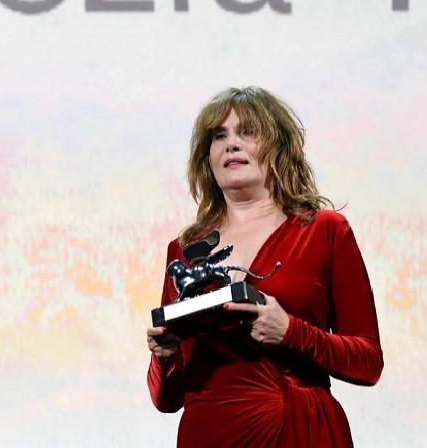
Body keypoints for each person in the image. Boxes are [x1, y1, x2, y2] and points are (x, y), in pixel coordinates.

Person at [146, 87, 383, 448]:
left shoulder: (325, 231)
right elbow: (166, 401)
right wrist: (163, 359)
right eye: (219, 136)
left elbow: (369, 363)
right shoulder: (183, 251)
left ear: (279, 147)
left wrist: (291, 332)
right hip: (208, 434)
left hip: (302, 431)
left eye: (248, 132)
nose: (231, 144)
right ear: (206, 157)